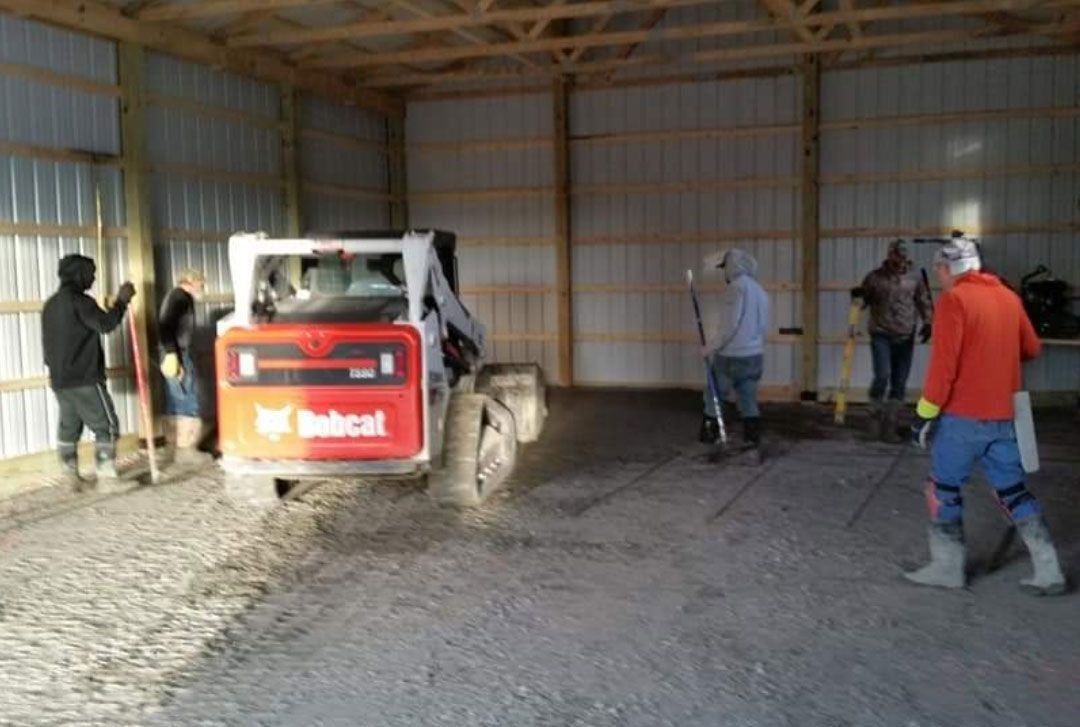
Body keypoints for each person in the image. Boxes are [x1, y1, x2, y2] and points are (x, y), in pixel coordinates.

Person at [906, 237, 1066, 596]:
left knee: (942, 487)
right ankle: (1049, 570)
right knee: (1012, 490)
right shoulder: (1008, 298)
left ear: (947, 268)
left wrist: (924, 414)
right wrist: (995, 355)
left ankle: (947, 569)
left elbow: (943, 368)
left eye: (939, 269)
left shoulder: (954, 301)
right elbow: (1032, 348)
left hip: (964, 417)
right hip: (1005, 416)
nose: (938, 276)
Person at [41, 254, 136, 484]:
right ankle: (107, 479)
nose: (93, 279)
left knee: (69, 427)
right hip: (85, 379)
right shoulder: (81, 302)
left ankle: (70, 478)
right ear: (79, 274)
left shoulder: (50, 305)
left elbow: (47, 344)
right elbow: (105, 324)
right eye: (91, 274)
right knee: (107, 426)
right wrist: (121, 301)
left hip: (60, 380)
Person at [855, 240, 933, 442]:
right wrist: (858, 296)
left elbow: (923, 299)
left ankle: (891, 424)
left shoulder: (915, 277)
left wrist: (928, 322)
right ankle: (874, 419)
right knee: (882, 375)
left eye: (902, 255)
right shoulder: (875, 278)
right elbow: (863, 300)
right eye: (896, 254)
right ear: (889, 255)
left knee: (899, 381)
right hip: (881, 333)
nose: (899, 259)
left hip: (905, 335)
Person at [698, 249, 769, 450]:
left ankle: (710, 432)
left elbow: (730, 325)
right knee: (748, 396)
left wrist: (710, 347)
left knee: (715, 392)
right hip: (754, 355)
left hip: (732, 355)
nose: (724, 273)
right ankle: (752, 437)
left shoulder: (736, 289)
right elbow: (763, 326)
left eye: (725, 268)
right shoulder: (760, 291)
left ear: (732, 267)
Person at [159, 268, 208, 464]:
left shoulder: (175, 296)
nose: (202, 288)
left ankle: (174, 448)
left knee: (174, 400)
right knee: (187, 398)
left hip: (172, 352)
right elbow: (165, 326)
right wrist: (173, 355)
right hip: (177, 352)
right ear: (190, 281)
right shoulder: (180, 298)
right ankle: (186, 450)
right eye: (201, 284)